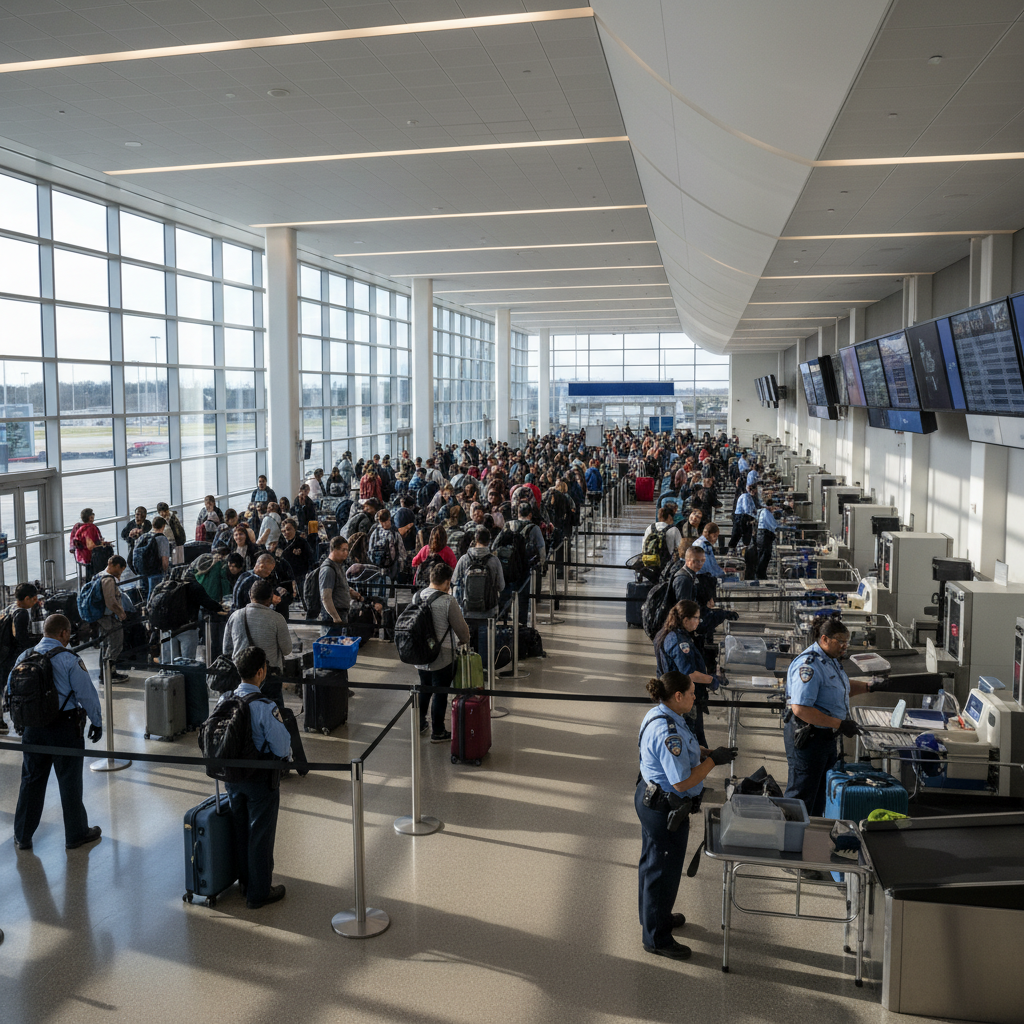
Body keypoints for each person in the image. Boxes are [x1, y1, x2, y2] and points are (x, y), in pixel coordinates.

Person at [636, 671, 735, 960]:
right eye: (692, 692)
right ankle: (656, 938)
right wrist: (714, 762)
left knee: (651, 864)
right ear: (678, 696)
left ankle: (655, 917)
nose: (696, 696)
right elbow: (681, 782)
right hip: (664, 807)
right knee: (662, 872)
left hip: (650, 796)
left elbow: (685, 754)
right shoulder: (670, 732)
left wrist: (707, 752)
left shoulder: (661, 715)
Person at [10, 614, 104, 852]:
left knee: (31, 781)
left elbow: (10, 691)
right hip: (65, 727)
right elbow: (86, 694)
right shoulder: (69, 659)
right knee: (69, 781)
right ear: (63, 633)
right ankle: (76, 834)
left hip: (32, 729)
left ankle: (22, 836)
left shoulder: (24, 657)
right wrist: (96, 721)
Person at [221, 644, 290, 909]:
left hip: (232, 778)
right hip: (260, 781)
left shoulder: (225, 699)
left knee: (240, 831)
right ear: (261, 672)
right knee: (260, 835)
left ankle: (245, 884)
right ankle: (259, 893)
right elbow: (282, 748)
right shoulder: (264, 706)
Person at [784, 617, 870, 819]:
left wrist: (870, 686)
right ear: (824, 639)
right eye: (840, 641)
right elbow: (801, 708)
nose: (844, 646)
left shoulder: (830, 660)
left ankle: (811, 839)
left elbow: (839, 689)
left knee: (820, 794)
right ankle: (791, 840)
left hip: (825, 737)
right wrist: (839, 724)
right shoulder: (810, 665)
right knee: (802, 795)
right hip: (808, 737)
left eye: (846, 641)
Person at [413, 562, 472, 743]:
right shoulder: (448, 601)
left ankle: (420, 722)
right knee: (440, 692)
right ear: (447, 582)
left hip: (421, 653)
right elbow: (463, 632)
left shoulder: (417, 596)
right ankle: (438, 731)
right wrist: (463, 640)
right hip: (443, 654)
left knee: (425, 687)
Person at [654, 600, 723, 748]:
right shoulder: (678, 640)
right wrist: (711, 679)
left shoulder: (668, 633)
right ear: (686, 620)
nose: (699, 621)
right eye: (696, 618)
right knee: (693, 741)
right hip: (681, 699)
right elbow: (688, 673)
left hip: (675, 696)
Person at [223, 580, 292, 712]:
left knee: (243, 714)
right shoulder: (277, 619)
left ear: (250, 595)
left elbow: (227, 649)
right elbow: (287, 650)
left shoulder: (235, 616)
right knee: (274, 715)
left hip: (242, 675)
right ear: (270, 598)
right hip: (269, 675)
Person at [452, 527, 505, 651]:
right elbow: (501, 586)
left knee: (467, 648)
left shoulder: (464, 559)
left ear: (475, 540)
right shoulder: (494, 561)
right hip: (488, 611)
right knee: (485, 648)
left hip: (467, 611)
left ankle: (470, 670)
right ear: (489, 541)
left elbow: (454, 582)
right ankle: (485, 668)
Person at [0, 583, 40, 734]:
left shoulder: (10, 607)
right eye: (33, 599)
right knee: (6, 685)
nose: (35, 601)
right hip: (8, 656)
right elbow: (20, 638)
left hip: (2, 652)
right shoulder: (22, 613)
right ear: (26, 598)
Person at [95, 555, 131, 684]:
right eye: (121, 569)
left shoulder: (99, 575)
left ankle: (103, 673)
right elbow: (110, 601)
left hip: (101, 618)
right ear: (115, 566)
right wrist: (120, 612)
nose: (120, 573)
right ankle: (110, 674)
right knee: (115, 644)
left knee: (104, 645)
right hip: (110, 618)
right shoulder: (108, 580)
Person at [319, 536, 364, 633]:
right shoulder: (328, 570)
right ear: (334, 550)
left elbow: (340, 585)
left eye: (347, 550)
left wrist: (351, 592)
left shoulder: (338, 565)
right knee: (332, 645)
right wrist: (336, 618)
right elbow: (326, 597)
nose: (346, 553)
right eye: (343, 550)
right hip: (333, 617)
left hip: (341, 614)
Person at [70, 508, 107, 581]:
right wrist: (102, 544)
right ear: (91, 518)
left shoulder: (78, 527)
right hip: (90, 556)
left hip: (80, 555)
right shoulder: (91, 528)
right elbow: (91, 545)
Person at [279, 519, 314, 595]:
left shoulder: (302, 542)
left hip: (300, 575)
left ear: (295, 529)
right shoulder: (280, 543)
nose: (286, 533)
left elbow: (310, 558)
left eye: (288, 530)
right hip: (286, 577)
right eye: (283, 531)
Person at [727, 484, 758, 551]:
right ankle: (732, 550)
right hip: (741, 518)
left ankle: (746, 550)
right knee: (737, 536)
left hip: (745, 518)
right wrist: (755, 516)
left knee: (746, 537)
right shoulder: (745, 497)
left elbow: (754, 509)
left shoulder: (750, 497)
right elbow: (747, 510)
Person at [755, 498, 778, 580]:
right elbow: (774, 525)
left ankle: (761, 574)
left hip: (761, 535)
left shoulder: (762, 511)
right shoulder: (766, 513)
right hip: (764, 536)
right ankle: (760, 575)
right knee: (765, 555)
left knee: (762, 555)